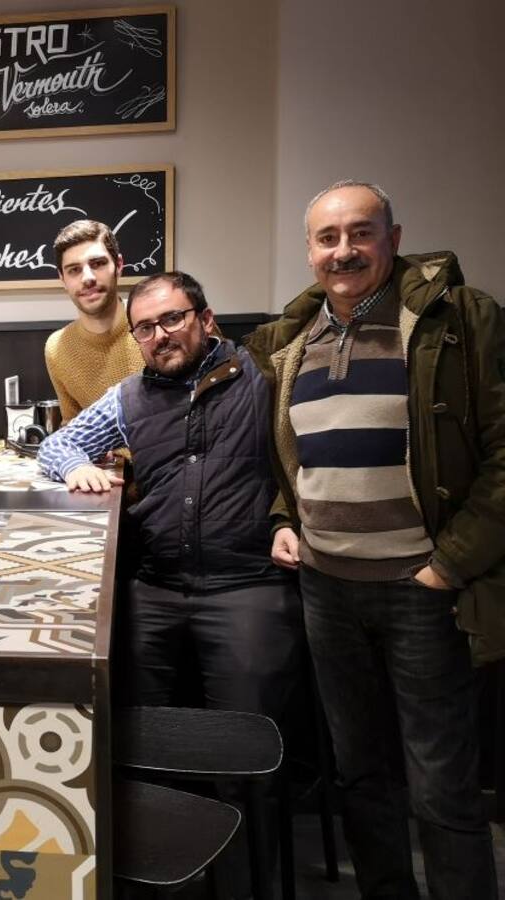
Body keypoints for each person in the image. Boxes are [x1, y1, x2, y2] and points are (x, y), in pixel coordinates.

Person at [248, 180, 502, 899]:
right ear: (309, 251)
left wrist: (449, 565)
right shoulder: (290, 342)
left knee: (441, 784)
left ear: (394, 239)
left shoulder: (455, 320)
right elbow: (294, 459)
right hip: (326, 588)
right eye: (327, 238)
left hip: (422, 588)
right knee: (360, 774)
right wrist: (285, 521)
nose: (344, 250)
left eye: (361, 233)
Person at [39, 272, 301, 721]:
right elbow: (56, 445)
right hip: (156, 584)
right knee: (127, 724)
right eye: (145, 328)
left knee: (247, 735)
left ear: (206, 319)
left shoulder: (260, 377)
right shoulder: (129, 397)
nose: (159, 336)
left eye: (172, 319)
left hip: (246, 583)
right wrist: (76, 467)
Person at [44, 220, 145, 421]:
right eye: (74, 270)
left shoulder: (157, 327)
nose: (87, 278)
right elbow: (72, 425)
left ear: (118, 265)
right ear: (62, 279)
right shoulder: (57, 348)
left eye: (97, 264)